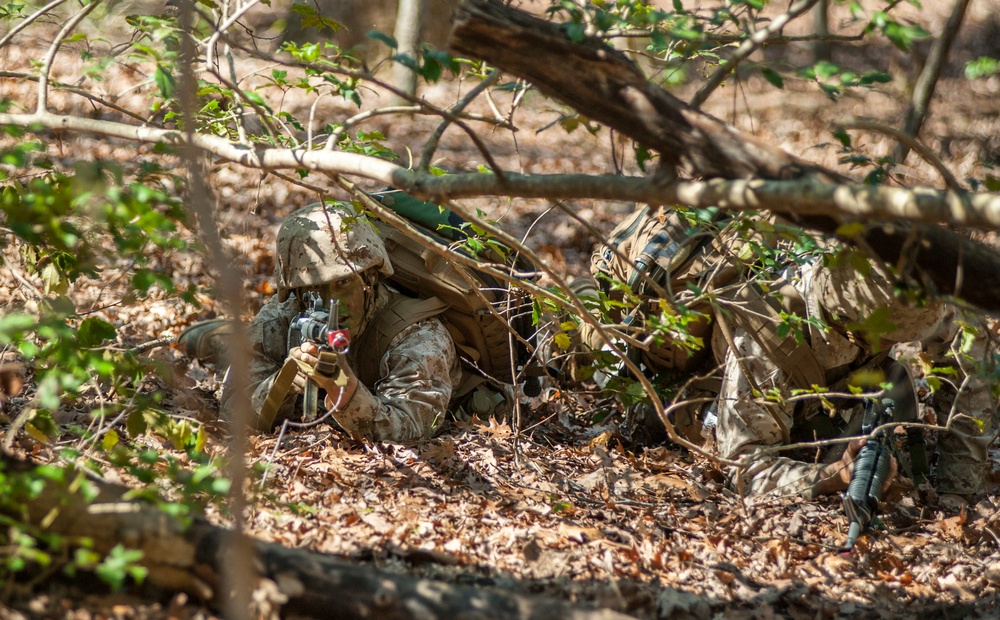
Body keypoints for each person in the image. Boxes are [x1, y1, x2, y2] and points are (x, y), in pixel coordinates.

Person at [573, 205, 999, 507]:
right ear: (845, 323)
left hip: (821, 356)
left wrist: (955, 493)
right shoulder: (768, 330)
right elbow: (745, 467)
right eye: (882, 342)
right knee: (596, 369)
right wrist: (831, 478)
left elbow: (969, 375)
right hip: (658, 351)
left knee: (887, 392)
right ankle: (535, 327)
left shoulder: (924, 291)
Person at [182, 202, 466, 441]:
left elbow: (413, 429)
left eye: (343, 283)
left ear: (370, 277)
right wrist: (285, 381)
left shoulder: (417, 335)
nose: (331, 302)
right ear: (297, 290)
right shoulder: (287, 312)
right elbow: (233, 410)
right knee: (202, 341)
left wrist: (346, 391)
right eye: (314, 288)